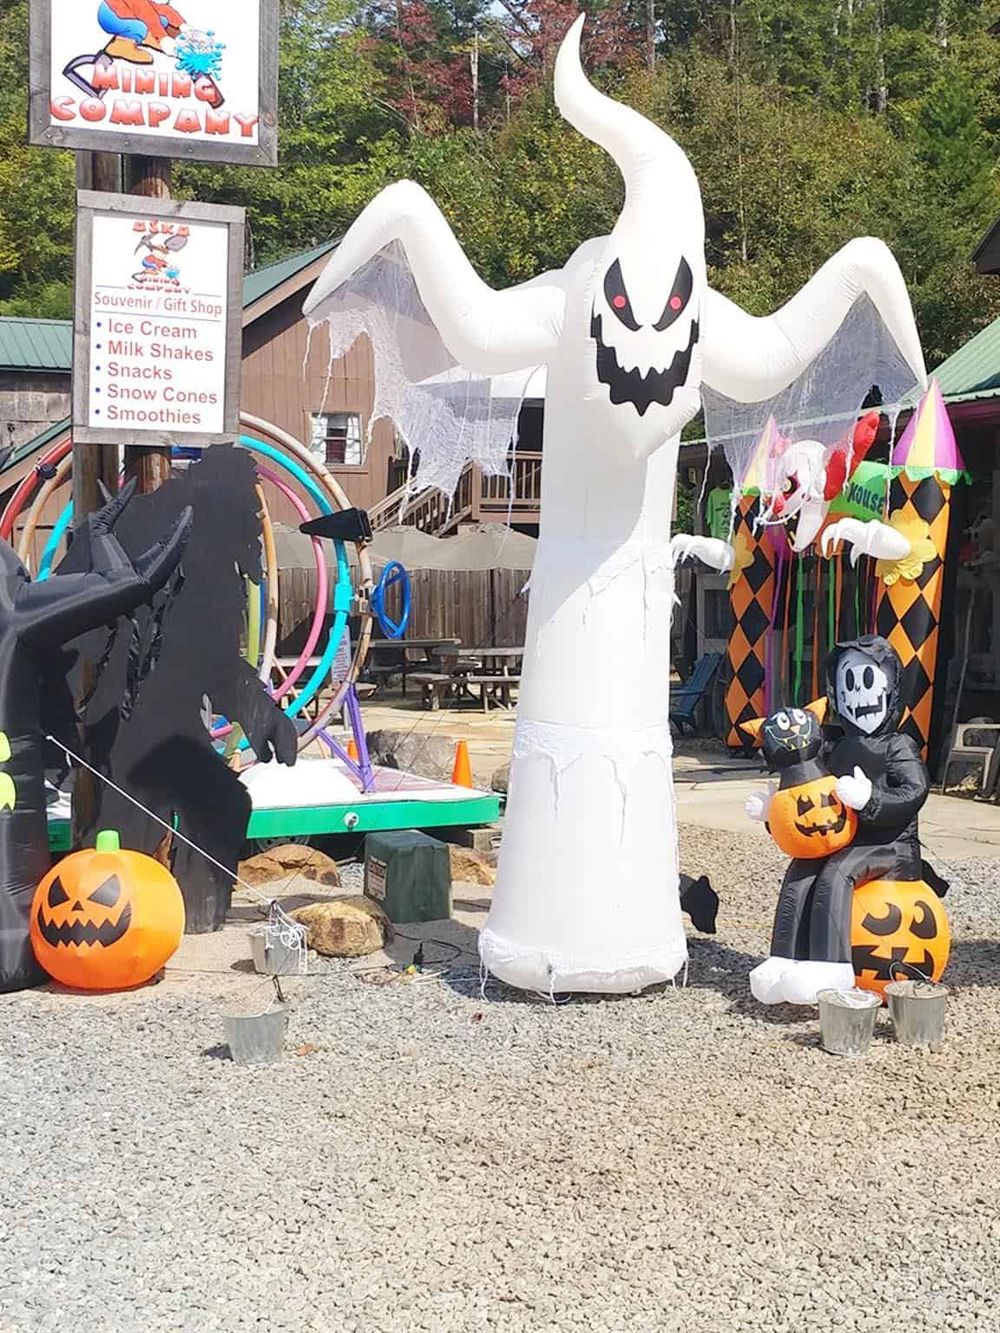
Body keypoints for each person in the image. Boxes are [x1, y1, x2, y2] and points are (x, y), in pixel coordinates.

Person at [98, 0, 186, 65]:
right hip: (111, 14)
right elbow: (147, 16)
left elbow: (161, 8)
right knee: (141, 27)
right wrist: (163, 40)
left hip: (134, 11)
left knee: (162, 19)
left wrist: (182, 25)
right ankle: (120, 46)